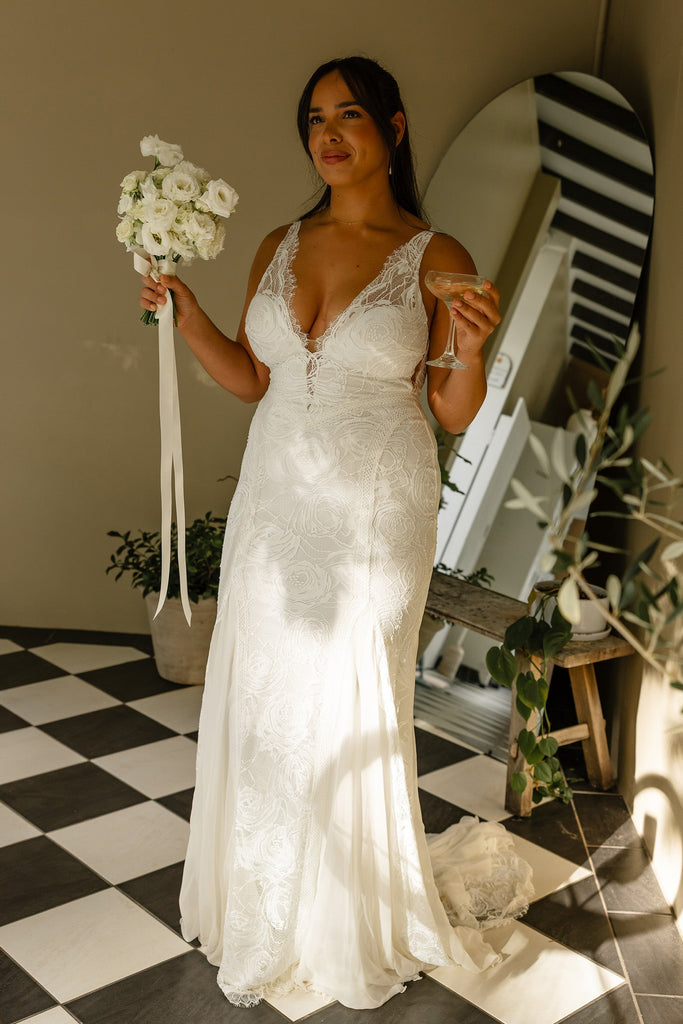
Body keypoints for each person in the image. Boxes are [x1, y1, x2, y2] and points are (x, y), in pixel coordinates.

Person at [139, 55, 533, 1011]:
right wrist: (189, 317)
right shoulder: (277, 241)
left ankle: (353, 908)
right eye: (315, 116)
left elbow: (446, 411)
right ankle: (267, 900)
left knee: (349, 698)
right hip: (276, 503)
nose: (328, 132)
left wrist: (471, 351)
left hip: (373, 506)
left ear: (393, 130)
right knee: (269, 695)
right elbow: (252, 379)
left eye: (349, 113)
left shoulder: (434, 255)